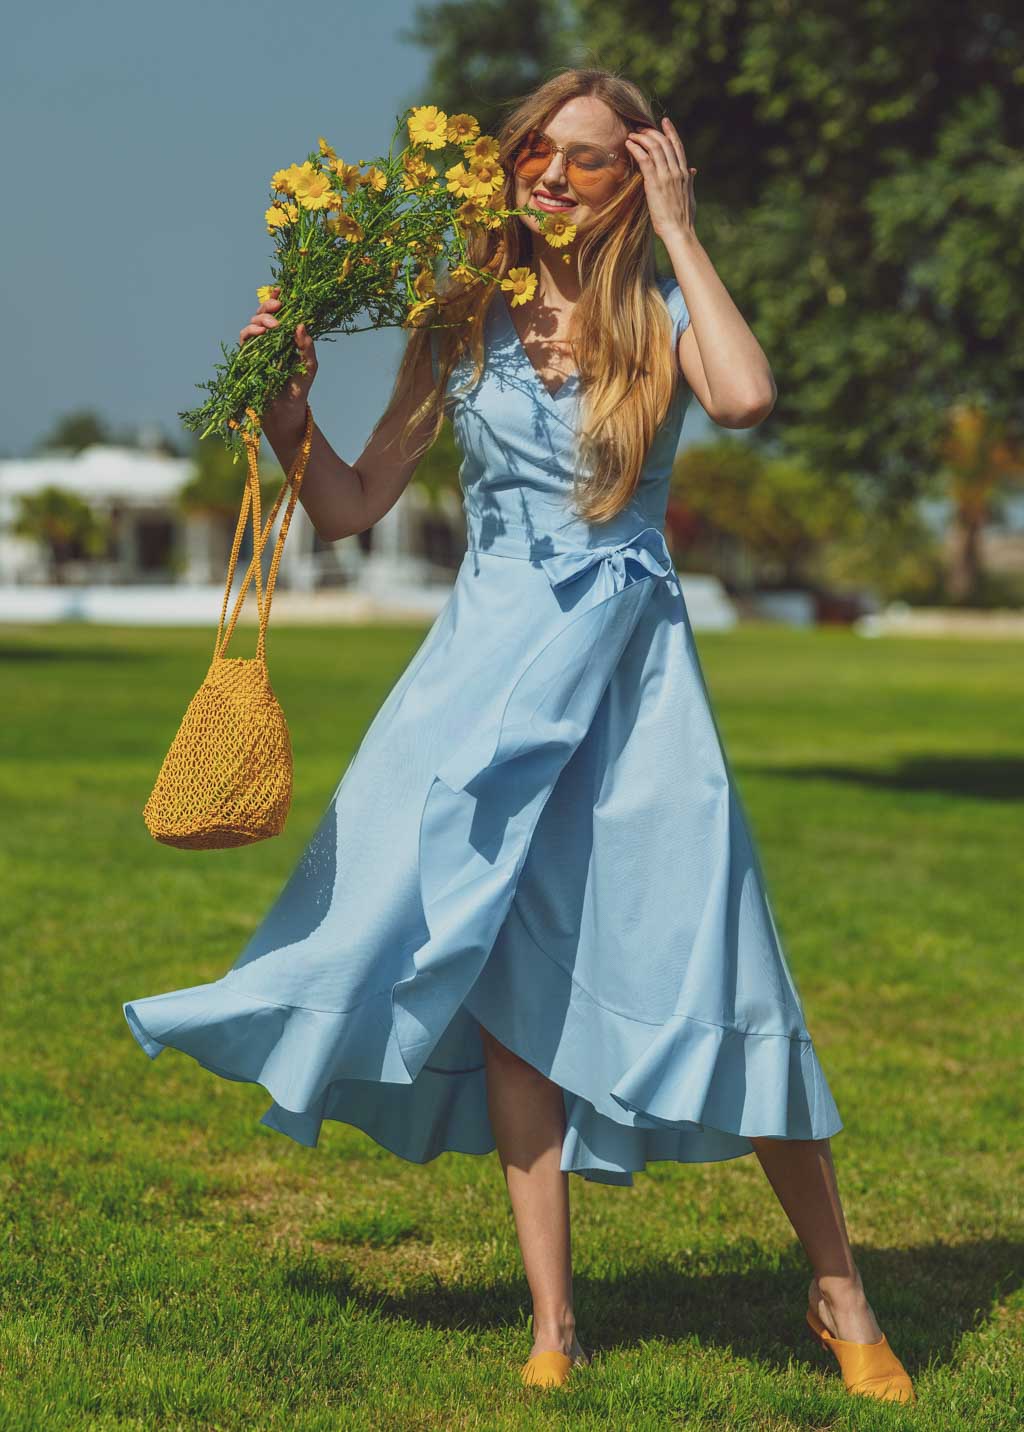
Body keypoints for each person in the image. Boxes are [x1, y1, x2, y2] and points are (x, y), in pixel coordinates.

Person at [123, 67, 915, 1404]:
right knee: (501, 996)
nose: (551, 177)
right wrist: (286, 414)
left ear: (637, 176)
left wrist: (680, 231)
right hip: (480, 682)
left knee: (723, 965)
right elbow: (355, 506)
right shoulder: (458, 319)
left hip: (628, 681)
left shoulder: (665, 308)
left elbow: (746, 398)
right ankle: (554, 1326)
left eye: (590, 161)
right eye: (537, 153)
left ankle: (838, 1289)